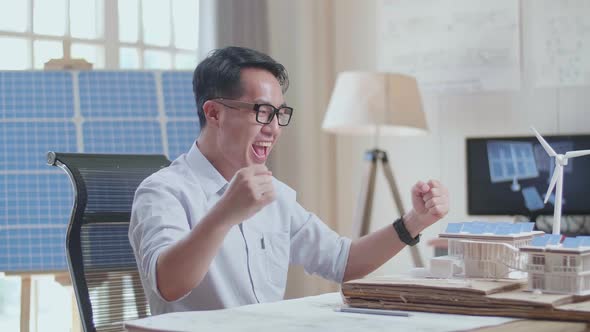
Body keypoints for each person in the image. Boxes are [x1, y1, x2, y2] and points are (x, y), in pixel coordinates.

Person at [129, 46, 449, 315]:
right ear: (214, 113)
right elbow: (169, 285)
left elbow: (343, 261)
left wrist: (413, 222)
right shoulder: (163, 191)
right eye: (262, 112)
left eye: (279, 114)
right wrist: (224, 214)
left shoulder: (275, 195)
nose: (273, 128)